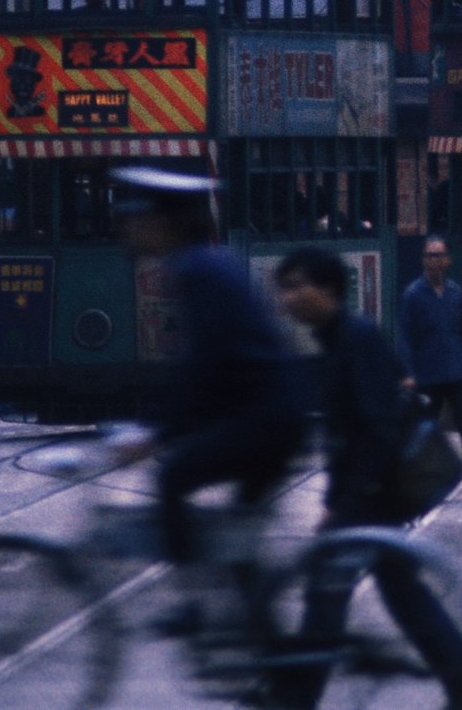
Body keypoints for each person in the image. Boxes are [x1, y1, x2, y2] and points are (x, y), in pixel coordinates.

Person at [272, 249, 462, 710]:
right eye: (283, 287)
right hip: (368, 491)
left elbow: (377, 427)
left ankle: (294, 700)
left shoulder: (354, 336)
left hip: (373, 493)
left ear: (327, 290)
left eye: (296, 285)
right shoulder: (335, 338)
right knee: (399, 594)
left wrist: (345, 503)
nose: (287, 297)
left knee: (328, 597)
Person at [111, 168, 309, 613]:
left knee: (172, 476)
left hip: (266, 420)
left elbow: (203, 367)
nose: (129, 228)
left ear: (164, 223)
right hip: (275, 416)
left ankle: (193, 602)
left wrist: (157, 435)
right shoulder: (206, 262)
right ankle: (271, 647)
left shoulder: (196, 268)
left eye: (137, 218)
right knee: (237, 541)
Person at [398, 236, 462, 497]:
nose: (434, 261)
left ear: (448, 260)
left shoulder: (456, 294)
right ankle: (421, 480)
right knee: (426, 430)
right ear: (423, 260)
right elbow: (405, 337)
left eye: (439, 256)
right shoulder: (414, 295)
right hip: (428, 374)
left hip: (457, 370)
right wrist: (408, 373)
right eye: (429, 256)